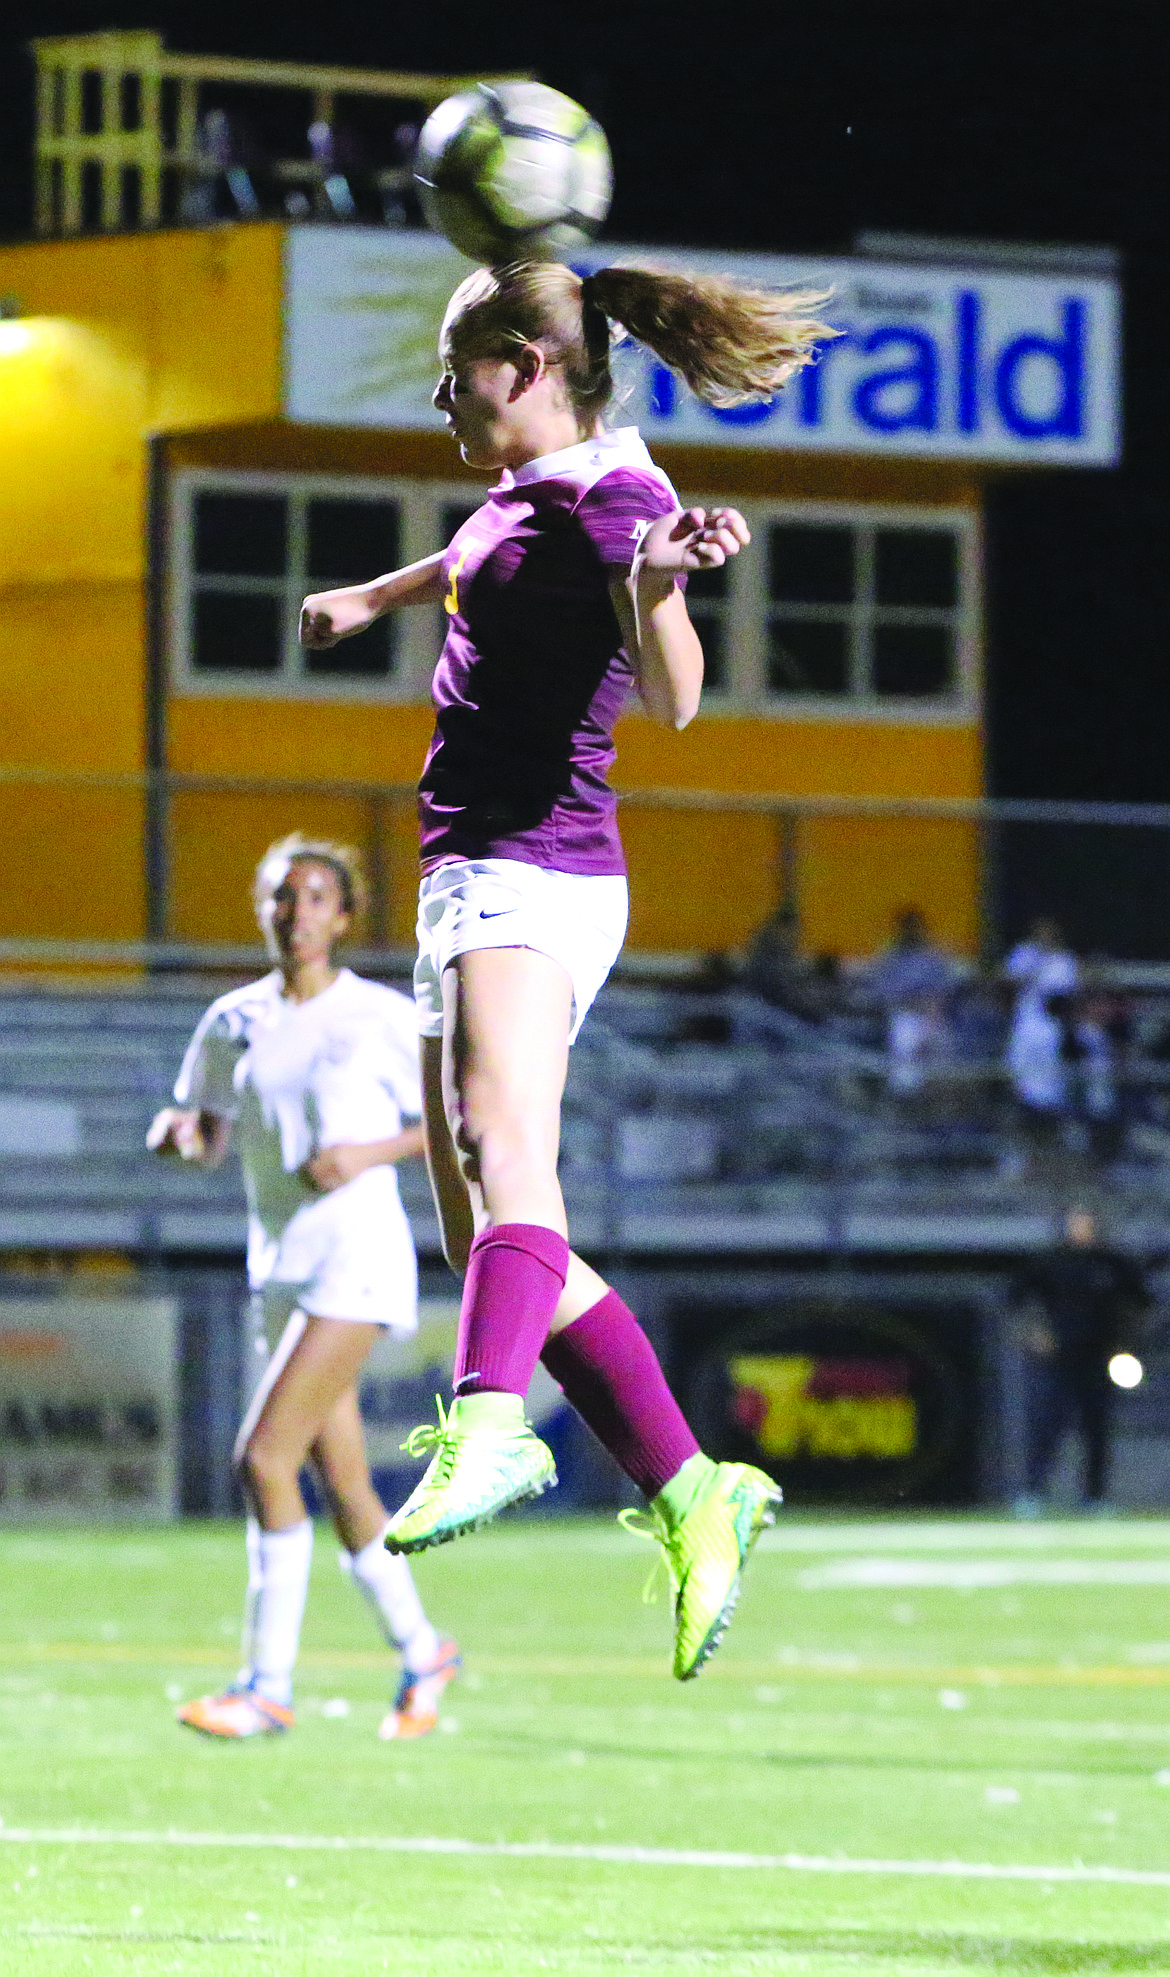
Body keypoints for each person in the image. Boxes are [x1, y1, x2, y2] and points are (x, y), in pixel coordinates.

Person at [299, 260, 836, 1679]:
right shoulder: (528, 490)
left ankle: (489, 1423)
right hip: (466, 875)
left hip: (533, 873)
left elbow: (673, 694)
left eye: (455, 367)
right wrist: (375, 595)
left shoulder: (619, 499)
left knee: (503, 1148)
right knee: (489, 1227)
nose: (438, 393)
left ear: (528, 362)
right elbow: (482, 553)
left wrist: (657, 587)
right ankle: (690, 1489)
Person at [148, 834, 458, 1738]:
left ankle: (265, 1686)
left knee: (263, 1458)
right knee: (346, 1481)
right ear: (263, 907)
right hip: (278, 1267)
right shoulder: (233, 1019)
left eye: (319, 897)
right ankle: (422, 1649)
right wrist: (178, 1134)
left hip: (356, 1259)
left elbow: (447, 1117)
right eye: (285, 896)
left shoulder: (379, 1016)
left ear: (345, 915)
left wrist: (368, 1149)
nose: (300, 912)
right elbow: (205, 1134)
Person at [1012, 1207, 1149, 1514]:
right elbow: (1015, 1300)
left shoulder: (1113, 1263)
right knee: (1047, 1427)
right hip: (1057, 1360)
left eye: (1088, 1224)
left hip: (1100, 1359)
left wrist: (1126, 1341)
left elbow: (1142, 1302)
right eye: (1077, 1224)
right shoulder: (1051, 1261)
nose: (1082, 1230)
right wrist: (1034, 1333)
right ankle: (1034, 1494)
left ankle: (1095, 1497)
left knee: (1096, 1431)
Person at [866, 905, 959, 1095]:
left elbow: (945, 991)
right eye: (908, 927)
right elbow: (882, 993)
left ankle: (940, 1100)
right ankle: (905, 1097)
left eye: (916, 927)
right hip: (903, 1016)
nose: (913, 932)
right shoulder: (891, 958)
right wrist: (912, 1002)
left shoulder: (933, 957)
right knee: (905, 1054)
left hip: (934, 1016)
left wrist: (932, 1014)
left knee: (944, 1060)